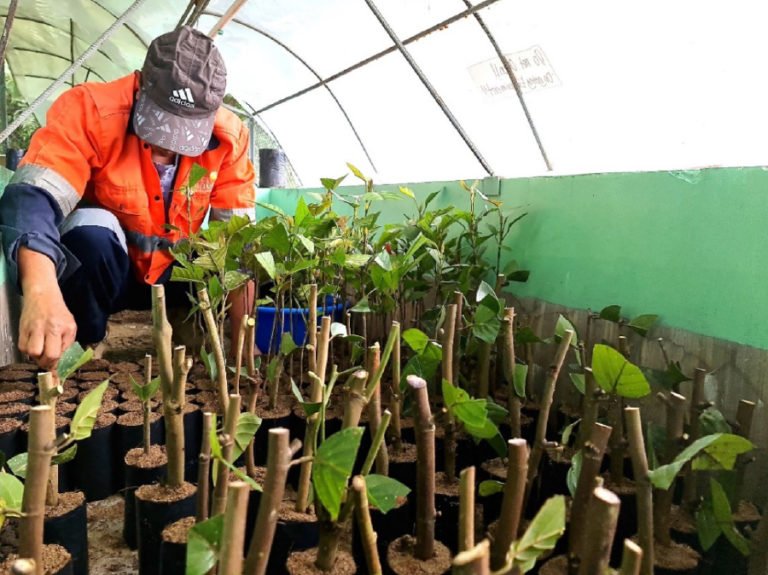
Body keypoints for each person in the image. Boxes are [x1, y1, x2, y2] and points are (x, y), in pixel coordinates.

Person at [0, 26, 255, 369]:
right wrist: (41, 291)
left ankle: (188, 323)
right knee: (90, 230)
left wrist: (244, 346)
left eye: (187, 133)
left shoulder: (230, 136)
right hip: (114, 273)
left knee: (222, 247)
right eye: (160, 124)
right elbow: (32, 197)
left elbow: (237, 245)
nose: (170, 145)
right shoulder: (90, 110)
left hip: (177, 275)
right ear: (140, 85)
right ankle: (88, 341)